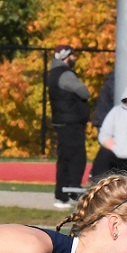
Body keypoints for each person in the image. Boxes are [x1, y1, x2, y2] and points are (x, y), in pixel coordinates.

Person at [47, 45, 91, 210]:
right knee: (75, 158)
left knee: (66, 157)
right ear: (66, 57)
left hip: (63, 121)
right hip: (71, 123)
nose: (75, 58)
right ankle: (69, 192)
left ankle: (65, 192)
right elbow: (83, 91)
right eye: (73, 55)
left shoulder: (54, 74)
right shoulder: (65, 75)